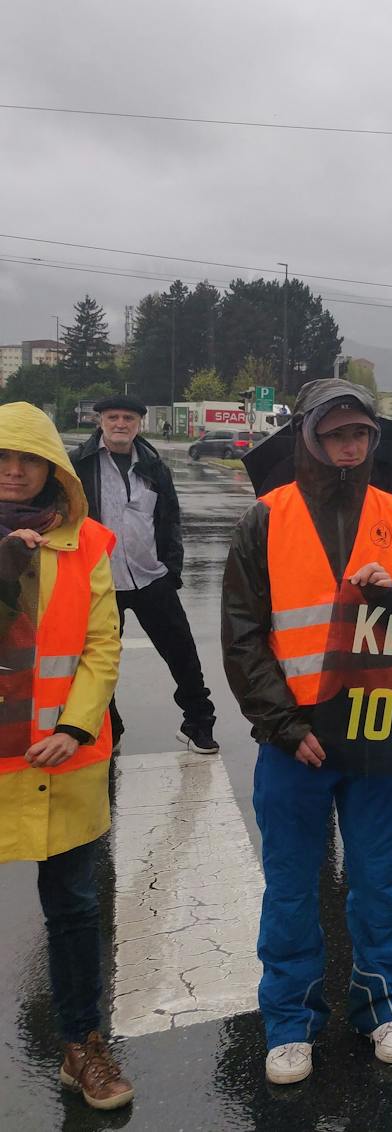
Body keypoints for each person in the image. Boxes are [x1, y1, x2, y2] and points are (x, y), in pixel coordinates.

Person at [221, 379, 392, 1085]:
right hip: (298, 739)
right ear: (310, 437)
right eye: (336, 433)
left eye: (360, 435)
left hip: (378, 728)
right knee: (290, 887)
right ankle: (290, 1021)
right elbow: (243, 633)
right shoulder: (266, 517)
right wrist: (282, 724)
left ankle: (382, 1006)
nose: (349, 446)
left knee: (378, 881)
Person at [0, 402, 134, 1109]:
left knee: (76, 911)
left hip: (62, 762)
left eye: (28, 458)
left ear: (53, 467)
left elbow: (100, 645)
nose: (15, 470)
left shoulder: (87, 547)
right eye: (3, 457)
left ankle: (84, 1046)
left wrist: (79, 728)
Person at [70, 393, 218, 754]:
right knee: (98, 661)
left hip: (151, 578)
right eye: (113, 417)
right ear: (100, 420)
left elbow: (170, 522)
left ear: (139, 424)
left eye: (128, 419)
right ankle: (110, 727)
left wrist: (173, 571)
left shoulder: (155, 467)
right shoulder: (78, 464)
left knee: (183, 654)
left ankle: (198, 723)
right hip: (100, 583)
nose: (121, 424)